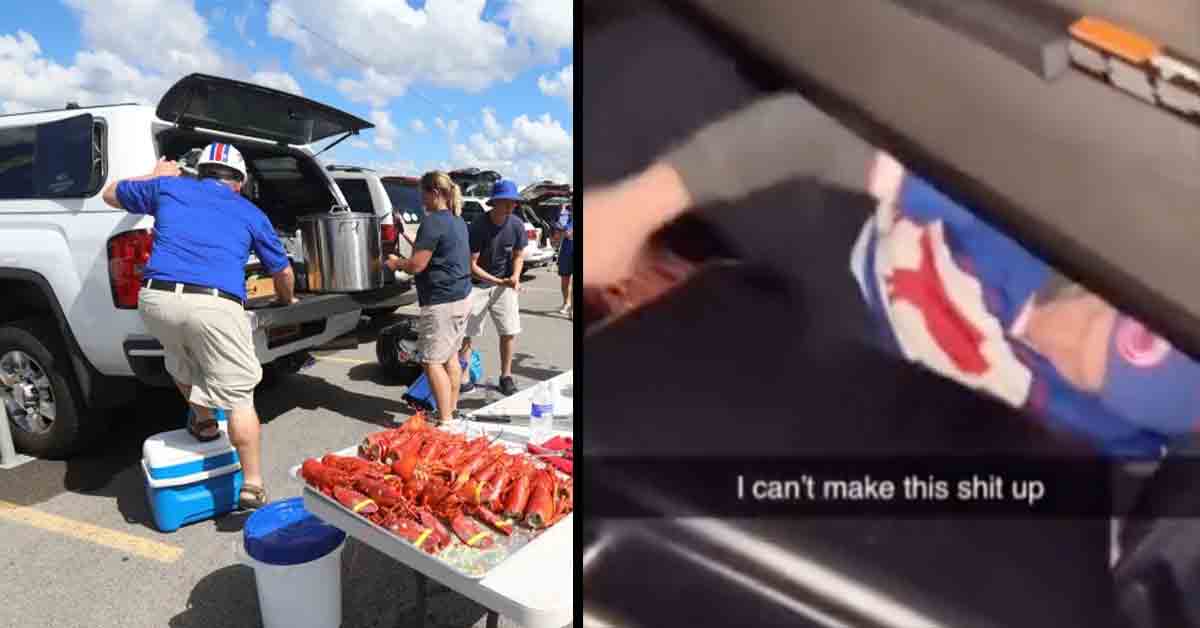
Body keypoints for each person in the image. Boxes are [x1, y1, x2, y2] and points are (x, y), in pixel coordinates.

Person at [586, 91, 1200, 460]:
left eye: (1082, 375)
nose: (1054, 343)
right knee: (634, 86)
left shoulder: (1128, 446)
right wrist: (633, 210)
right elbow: (808, 134)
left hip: (888, 393)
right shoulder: (1026, 212)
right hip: (860, 241)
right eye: (1086, 322)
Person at [102, 143, 295, 510]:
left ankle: (204, 422)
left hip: (157, 300)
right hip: (214, 304)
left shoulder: (170, 188)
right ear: (238, 182)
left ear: (201, 172)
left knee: (178, 355)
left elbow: (109, 193)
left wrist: (154, 175)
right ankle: (252, 484)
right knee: (240, 395)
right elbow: (281, 271)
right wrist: (288, 299)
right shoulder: (250, 211)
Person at [386, 171, 472, 424]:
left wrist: (395, 263)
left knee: (432, 362)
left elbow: (417, 265)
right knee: (451, 357)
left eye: (422, 193)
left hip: (441, 302)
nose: (420, 198)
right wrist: (406, 236)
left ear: (435, 192)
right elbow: (436, 250)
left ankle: (445, 421)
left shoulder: (433, 222)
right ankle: (451, 410)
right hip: (461, 298)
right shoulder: (456, 221)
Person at [459, 179, 528, 397]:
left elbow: (518, 255)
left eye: (513, 202)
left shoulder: (516, 225)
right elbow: (472, 265)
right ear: (494, 202)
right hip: (477, 285)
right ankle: (463, 377)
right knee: (467, 333)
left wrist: (515, 276)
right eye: (506, 202)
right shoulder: (478, 226)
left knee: (508, 332)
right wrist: (498, 282)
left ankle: (505, 376)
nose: (511, 206)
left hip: (504, 285)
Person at [555, 204, 574, 317]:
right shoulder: (565, 219)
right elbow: (558, 236)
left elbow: (568, 233)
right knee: (565, 279)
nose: (570, 211)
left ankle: (572, 308)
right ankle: (566, 303)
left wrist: (564, 231)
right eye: (569, 209)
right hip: (565, 252)